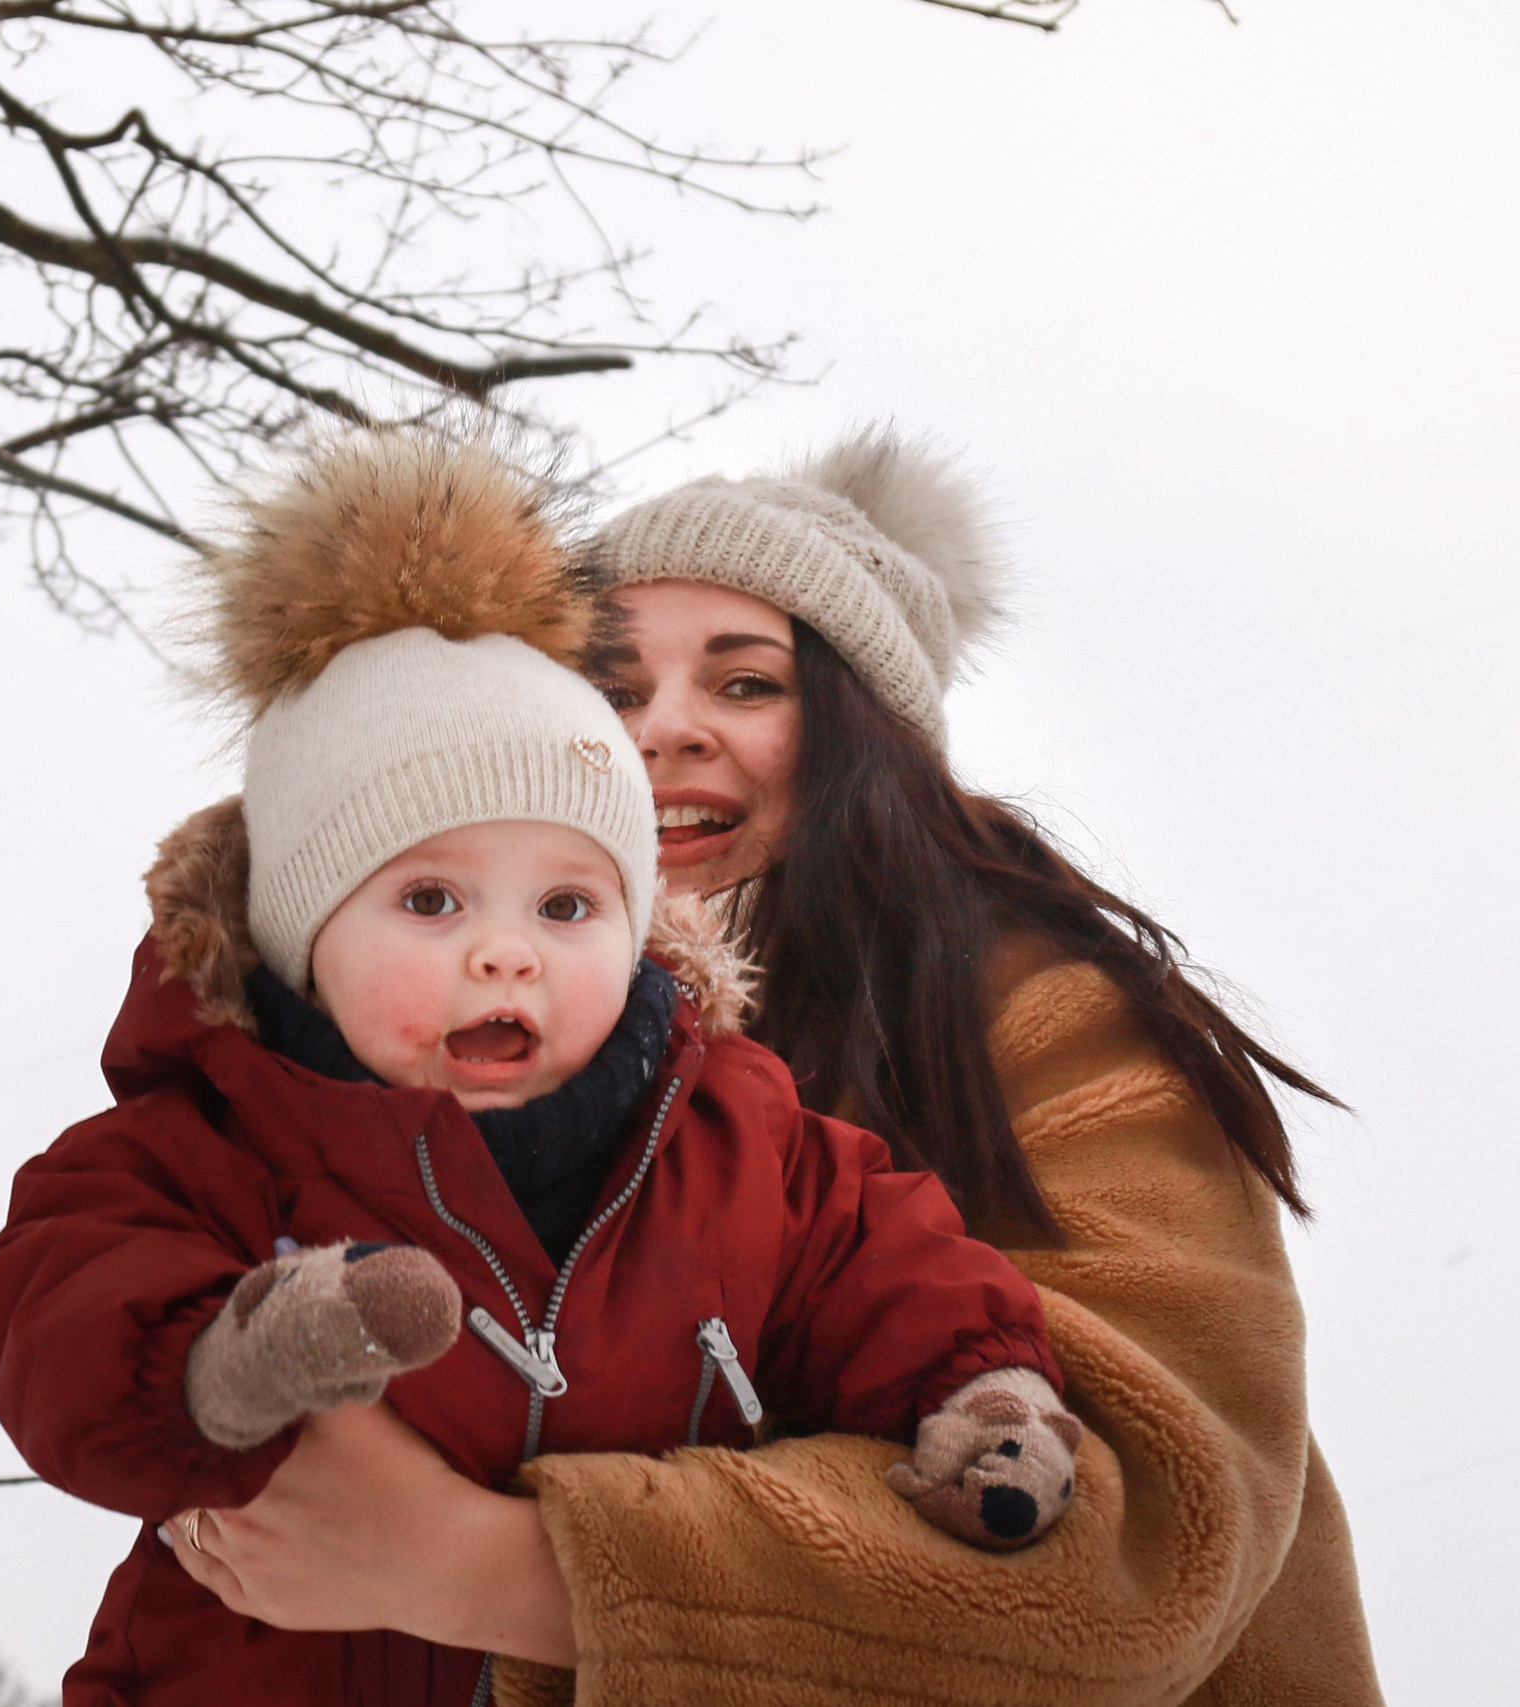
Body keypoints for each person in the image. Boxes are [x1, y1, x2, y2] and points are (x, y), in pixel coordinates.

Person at [156, 428, 1386, 1706]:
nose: (664, 729)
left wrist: (490, 1566)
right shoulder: (480, 1057)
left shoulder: (1044, 1026)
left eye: (745, 685)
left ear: (866, 735)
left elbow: (1132, 1549)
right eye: (614, 689)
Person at [0, 431, 1084, 1707]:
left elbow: (884, 1263)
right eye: (432, 898)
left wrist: (980, 1387)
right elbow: (69, 1295)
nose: (505, 953)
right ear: (300, 927)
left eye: (566, 909)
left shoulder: (735, 1121)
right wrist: (231, 1363)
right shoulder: (225, 1132)